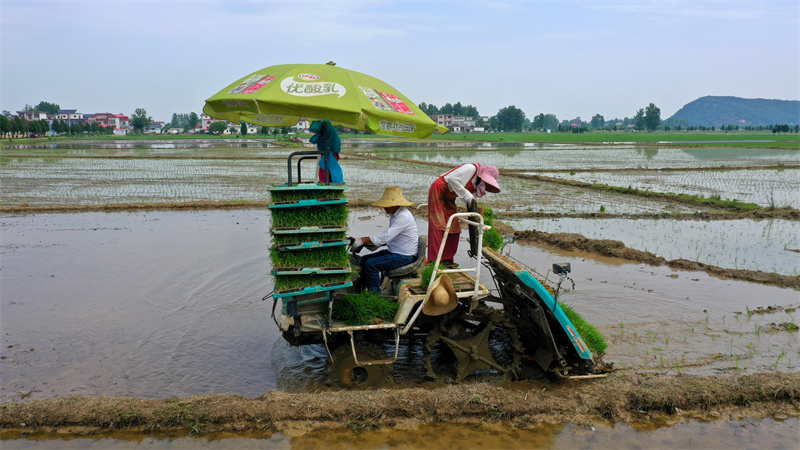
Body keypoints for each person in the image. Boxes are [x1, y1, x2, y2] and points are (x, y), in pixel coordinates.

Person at [427, 162, 500, 265]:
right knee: (438, 224)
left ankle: (447, 259)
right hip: (439, 189)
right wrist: (467, 196)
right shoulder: (470, 169)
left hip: (450, 197)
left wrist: (473, 208)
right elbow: (452, 180)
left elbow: (468, 199)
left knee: (454, 226)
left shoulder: (476, 184)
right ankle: (434, 261)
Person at [351, 186, 419, 294]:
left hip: (404, 256)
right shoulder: (396, 215)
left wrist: (363, 240)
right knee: (364, 259)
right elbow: (392, 237)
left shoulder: (403, 217)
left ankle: (375, 296)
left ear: (395, 204)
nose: (384, 208)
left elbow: (386, 235)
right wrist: (377, 244)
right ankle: (361, 290)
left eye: (386, 205)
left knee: (371, 264)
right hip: (396, 251)